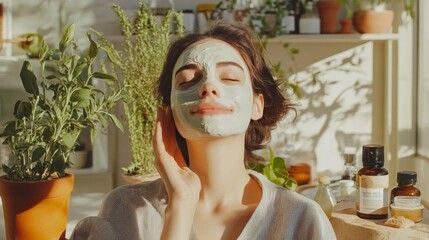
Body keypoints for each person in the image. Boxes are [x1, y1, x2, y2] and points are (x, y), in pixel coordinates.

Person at [70, 20, 336, 240]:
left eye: (230, 77)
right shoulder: (125, 210)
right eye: (187, 80)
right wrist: (181, 205)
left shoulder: (301, 219)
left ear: (257, 105)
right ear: (169, 110)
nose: (208, 87)